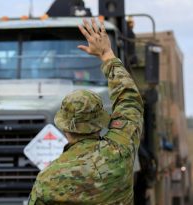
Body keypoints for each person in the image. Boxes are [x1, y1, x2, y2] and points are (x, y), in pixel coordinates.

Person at [28, 18, 144, 205]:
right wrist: (106, 54)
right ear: (100, 121)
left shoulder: (47, 179)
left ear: (64, 127)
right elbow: (129, 100)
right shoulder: (120, 153)